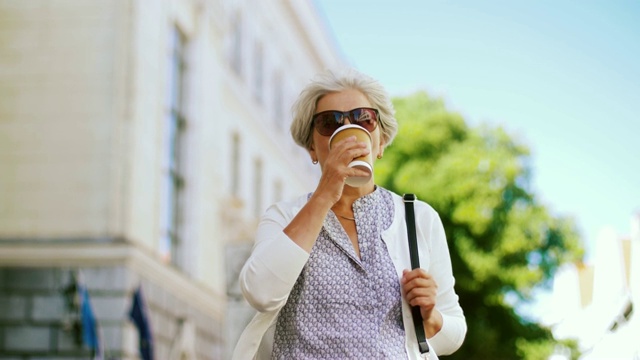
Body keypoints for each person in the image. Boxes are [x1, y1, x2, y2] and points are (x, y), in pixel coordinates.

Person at [232, 68, 466, 359]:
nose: (347, 132)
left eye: (363, 119)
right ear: (312, 148)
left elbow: (453, 333)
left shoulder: (418, 218)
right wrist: (324, 195)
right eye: (329, 123)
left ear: (380, 142)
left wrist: (430, 317)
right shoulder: (284, 216)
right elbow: (260, 293)